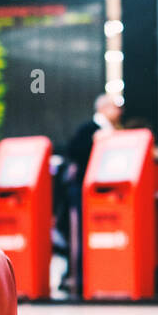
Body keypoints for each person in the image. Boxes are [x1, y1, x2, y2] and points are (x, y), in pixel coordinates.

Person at [59, 94, 123, 294]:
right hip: (85, 191)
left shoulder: (114, 131)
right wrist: (93, 143)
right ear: (103, 108)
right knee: (83, 234)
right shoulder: (89, 129)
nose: (119, 112)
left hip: (108, 192)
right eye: (115, 107)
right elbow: (73, 151)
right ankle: (80, 279)